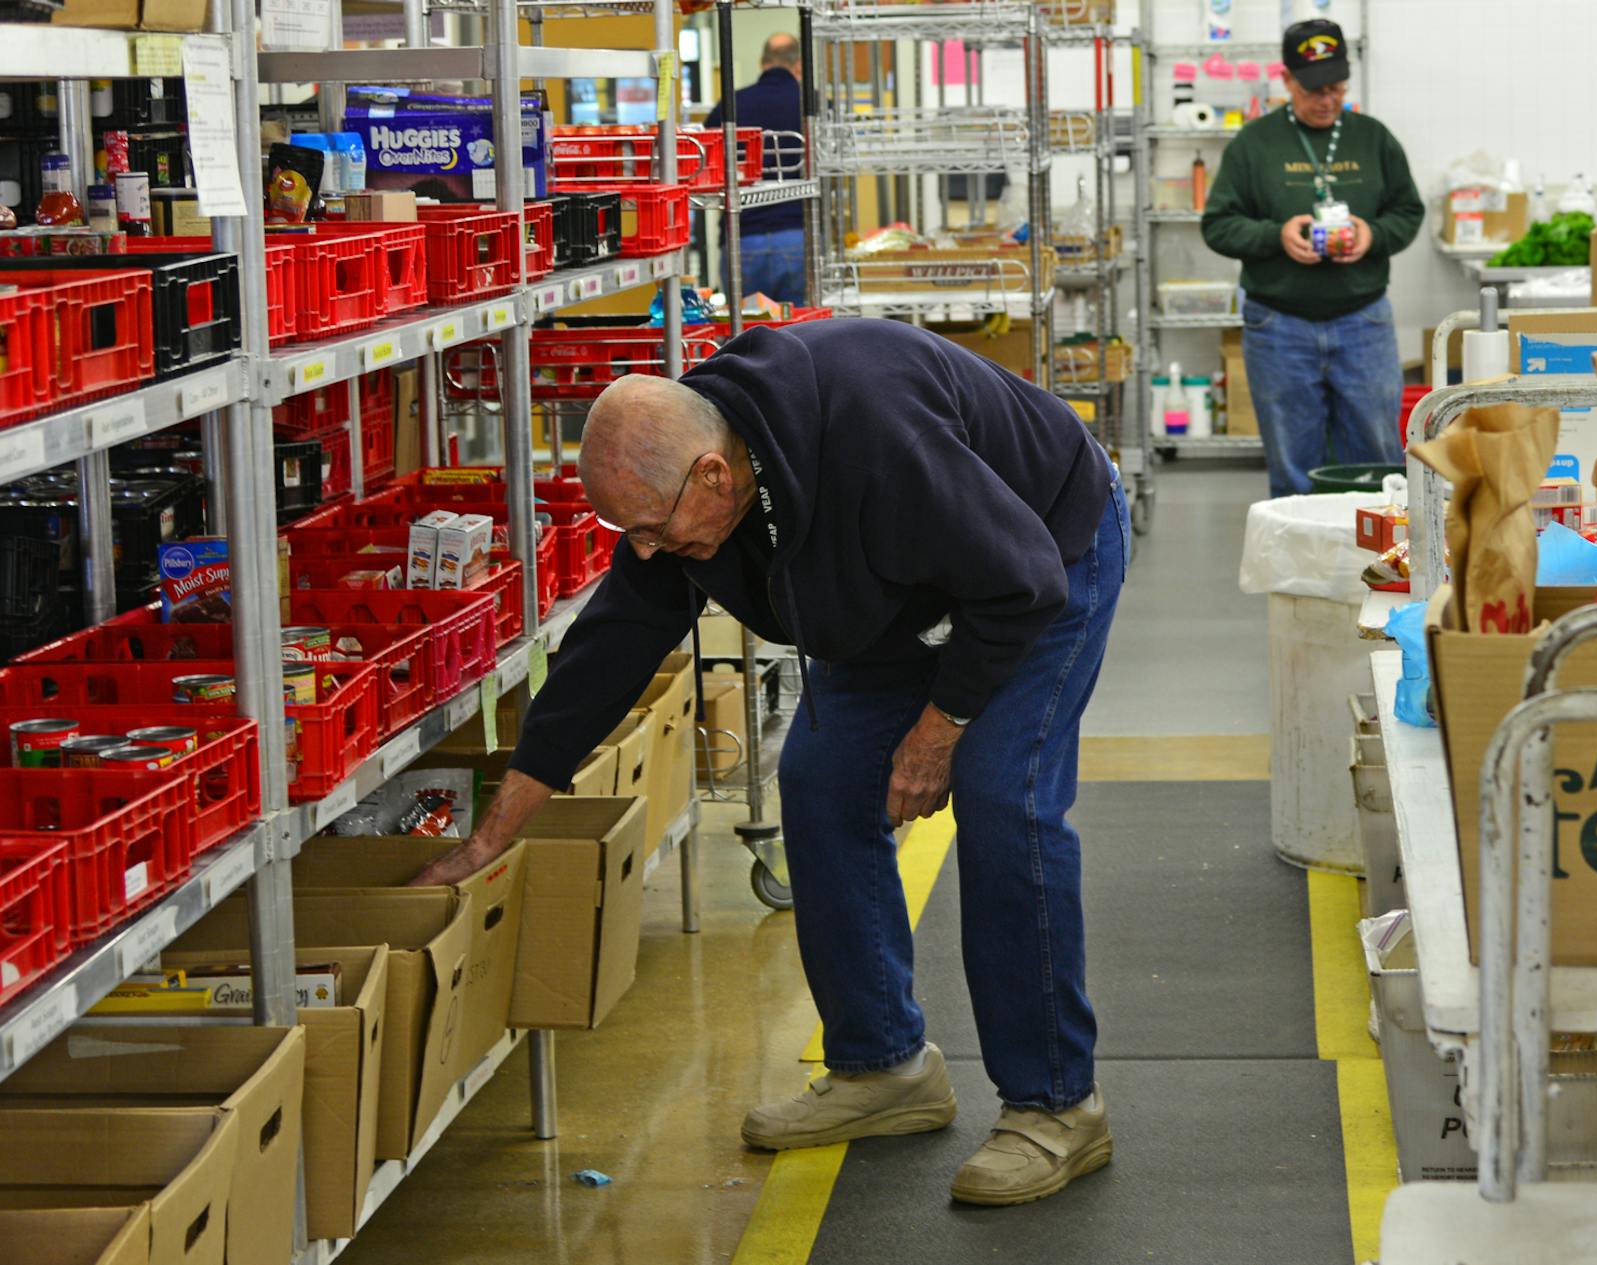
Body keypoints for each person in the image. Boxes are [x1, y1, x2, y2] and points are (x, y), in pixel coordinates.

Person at [413, 320, 1128, 1207]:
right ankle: (886, 1068)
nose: (645, 550)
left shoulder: (876, 439)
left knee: (1002, 799)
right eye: (628, 532)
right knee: (822, 783)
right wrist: (503, 819)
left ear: (715, 475)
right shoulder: (683, 484)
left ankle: (1058, 1105)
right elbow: (612, 644)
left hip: (1043, 554)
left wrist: (939, 729)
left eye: (653, 528)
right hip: (894, 586)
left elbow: (1017, 580)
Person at [1200, 17, 1423, 499]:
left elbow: (1408, 210)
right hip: (1279, 328)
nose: (1326, 100)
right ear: (1286, 80)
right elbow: (1217, 225)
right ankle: (1302, 570)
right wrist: (1275, 236)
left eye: (1336, 87)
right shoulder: (1253, 145)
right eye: (1313, 89)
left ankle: (1377, 567)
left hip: (1363, 322)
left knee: (1378, 462)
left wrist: (1373, 232)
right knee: (1293, 467)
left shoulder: (1373, 139)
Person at [705, 32, 808, 304]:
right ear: (798, 66)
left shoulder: (729, 105)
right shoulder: (812, 104)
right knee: (799, 335)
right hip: (796, 238)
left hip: (743, 238)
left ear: (763, 63)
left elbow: (704, 165)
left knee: (747, 339)